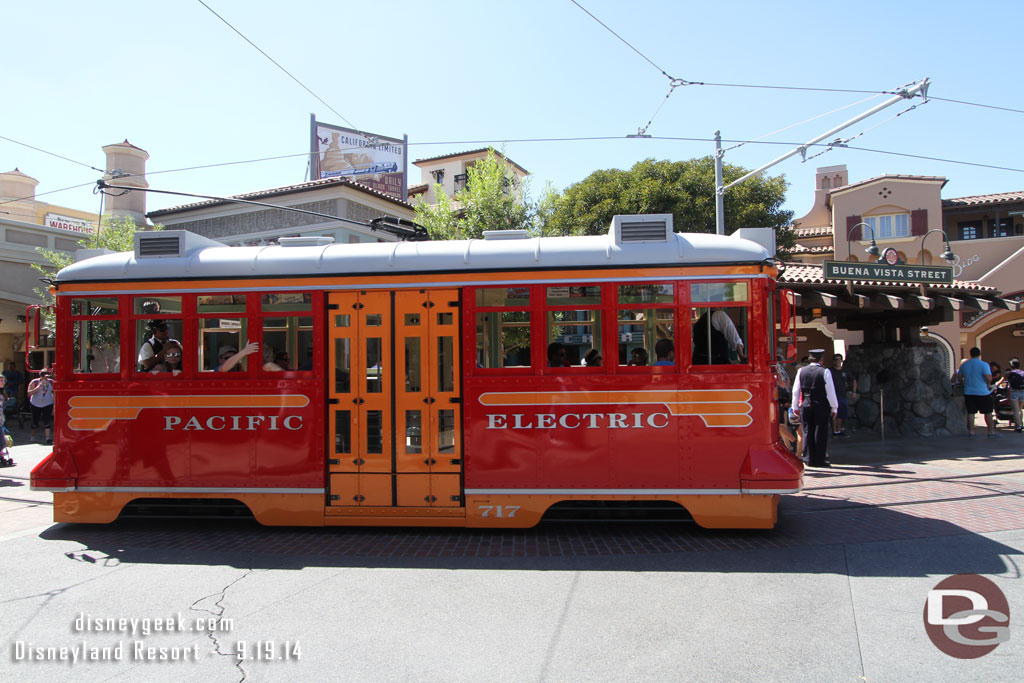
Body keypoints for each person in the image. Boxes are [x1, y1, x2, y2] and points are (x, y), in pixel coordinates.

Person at [791, 349, 838, 468]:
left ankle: (808, 458)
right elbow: (830, 392)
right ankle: (819, 459)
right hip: (821, 404)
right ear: (821, 360)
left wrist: (795, 406)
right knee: (820, 431)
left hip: (806, 404)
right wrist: (834, 407)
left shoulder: (801, 371)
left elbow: (796, 390)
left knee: (807, 431)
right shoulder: (825, 372)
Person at [957, 347, 996, 438]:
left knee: (971, 412)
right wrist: (988, 383)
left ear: (970, 354)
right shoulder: (984, 364)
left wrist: (964, 383)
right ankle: (991, 431)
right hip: (983, 392)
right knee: (988, 412)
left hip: (969, 392)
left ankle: (971, 431)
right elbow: (988, 377)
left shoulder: (964, 365)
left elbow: (959, 377)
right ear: (979, 354)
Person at [829, 353, 857, 437]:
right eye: (835, 359)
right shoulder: (830, 371)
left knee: (842, 414)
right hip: (833, 396)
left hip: (843, 395)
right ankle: (834, 431)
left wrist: (854, 392)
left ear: (841, 361)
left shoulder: (845, 370)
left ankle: (839, 431)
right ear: (833, 361)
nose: (837, 361)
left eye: (839, 359)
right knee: (834, 414)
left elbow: (853, 380)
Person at [27, 369, 55, 445]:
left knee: (47, 420)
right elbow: (29, 393)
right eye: (43, 375)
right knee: (35, 420)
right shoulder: (34, 382)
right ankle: (33, 436)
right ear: (40, 375)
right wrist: (38, 387)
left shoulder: (51, 382)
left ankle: (48, 438)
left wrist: (54, 406)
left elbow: (55, 394)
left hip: (48, 403)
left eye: (46, 375)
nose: (45, 377)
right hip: (36, 403)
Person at [1004, 357, 1024, 433]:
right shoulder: (1022, 372)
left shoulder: (1009, 373)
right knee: (1020, 409)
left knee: (1015, 410)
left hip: (1014, 392)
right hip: (1022, 391)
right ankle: (1021, 424)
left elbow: (1003, 380)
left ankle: (1018, 426)